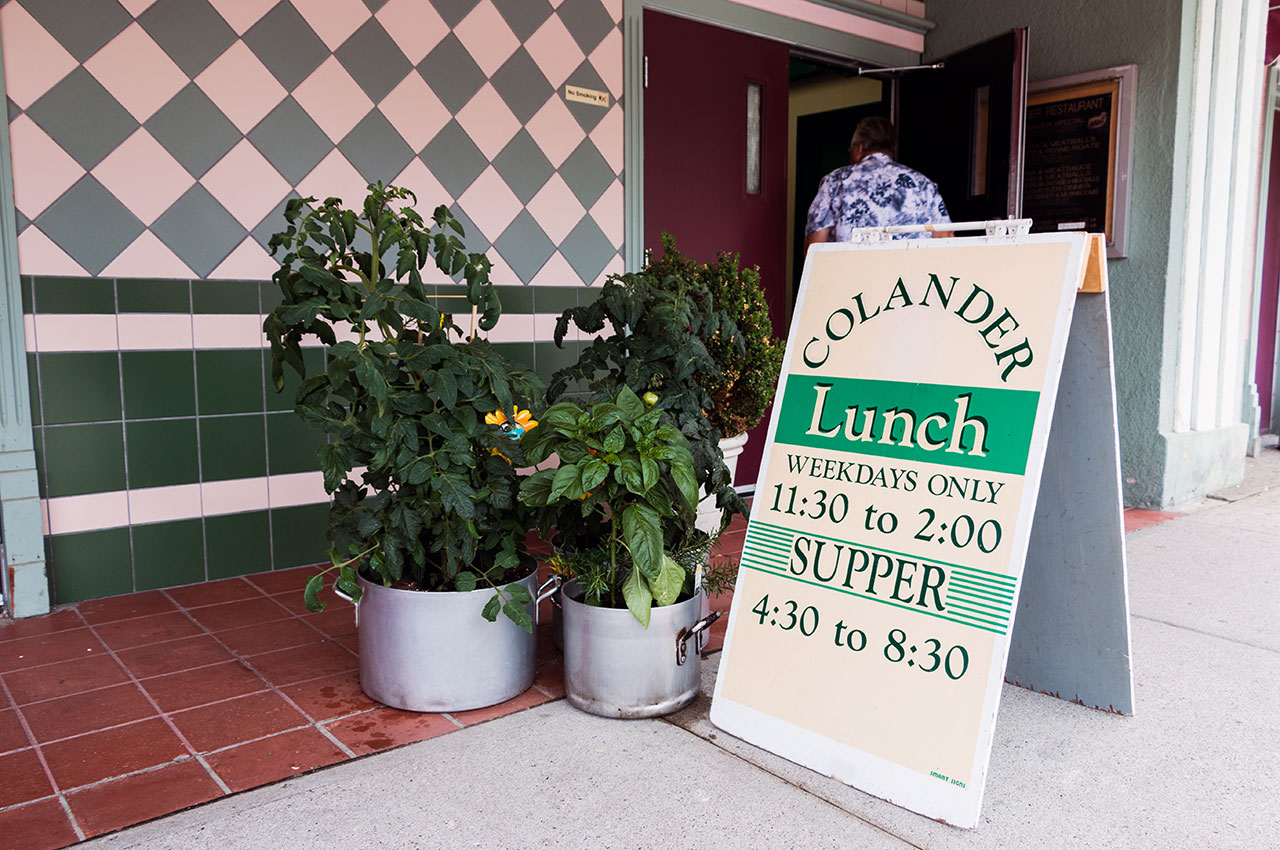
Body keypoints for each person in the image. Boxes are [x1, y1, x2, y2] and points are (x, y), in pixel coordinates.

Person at [804, 116, 951, 248]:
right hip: (909, 276)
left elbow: (815, 246)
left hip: (852, 275)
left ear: (858, 148)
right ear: (891, 150)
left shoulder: (835, 182)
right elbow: (946, 239)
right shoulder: (923, 185)